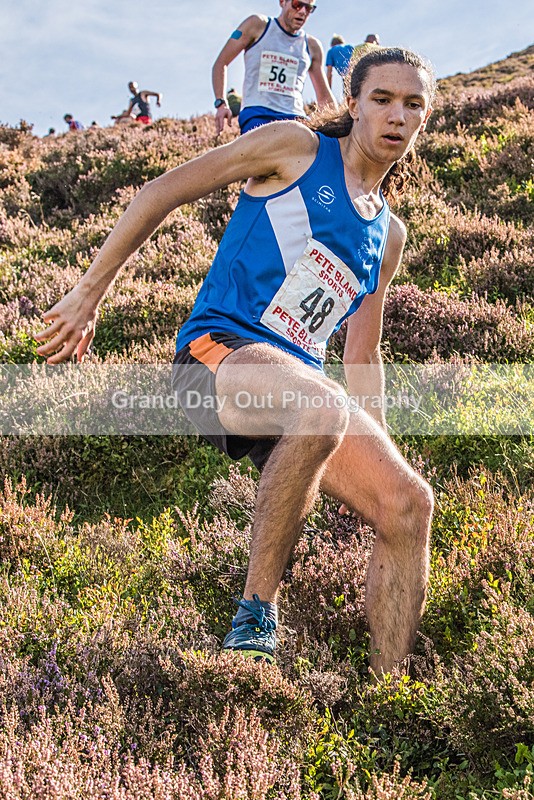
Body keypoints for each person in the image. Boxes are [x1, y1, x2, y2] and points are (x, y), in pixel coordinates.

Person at [36, 47, 435, 677]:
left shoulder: (388, 235)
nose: (396, 115)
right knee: (321, 406)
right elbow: (162, 191)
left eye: (412, 104)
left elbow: (362, 353)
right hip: (214, 357)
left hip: (300, 394)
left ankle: (393, 691)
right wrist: (90, 294)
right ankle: (255, 617)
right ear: (353, 102)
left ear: (424, 118)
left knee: (409, 502)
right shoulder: (294, 147)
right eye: (381, 99)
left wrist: (378, 453)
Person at [212, 0, 335, 134]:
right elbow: (221, 63)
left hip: (295, 119)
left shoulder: (312, 46)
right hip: (258, 114)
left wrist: (339, 125)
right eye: (297, 4)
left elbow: (324, 97)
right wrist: (221, 103)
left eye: (309, 8)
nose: (302, 12)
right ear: (282, 2)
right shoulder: (257, 25)